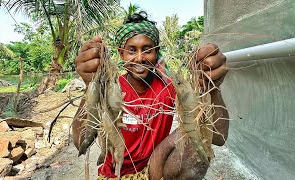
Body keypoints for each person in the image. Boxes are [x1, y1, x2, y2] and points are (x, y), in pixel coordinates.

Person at [73, 11, 229, 180]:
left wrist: (211, 88)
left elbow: (219, 138)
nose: (140, 58)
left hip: (153, 168)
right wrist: (91, 87)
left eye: (147, 50)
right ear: (121, 54)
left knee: (194, 137)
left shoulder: (168, 88)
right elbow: (80, 141)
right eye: (132, 50)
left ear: (156, 52)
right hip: (114, 174)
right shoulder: (111, 88)